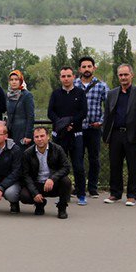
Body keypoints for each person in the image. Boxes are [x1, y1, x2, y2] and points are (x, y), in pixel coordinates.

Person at [103, 64, 136, 206]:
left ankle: (131, 195)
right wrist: (106, 136)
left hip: (133, 135)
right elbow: (107, 116)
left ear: (132, 75)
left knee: (133, 166)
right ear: (118, 77)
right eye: (120, 75)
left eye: (126, 75)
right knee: (115, 165)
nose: (123, 77)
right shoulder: (111, 94)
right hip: (115, 134)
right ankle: (115, 193)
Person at [47, 66, 88, 205]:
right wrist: (61, 124)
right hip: (59, 136)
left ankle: (81, 194)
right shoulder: (55, 94)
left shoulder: (80, 93)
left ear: (73, 77)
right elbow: (50, 113)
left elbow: (83, 112)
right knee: (59, 166)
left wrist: (70, 122)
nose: (66, 79)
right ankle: (62, 195)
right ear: (60, 78)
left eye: (68, 76)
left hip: (76, 134)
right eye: (63, 76)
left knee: (78, 166)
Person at [74, 56, 109, 198]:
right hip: (78, 128)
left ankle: (93, 187)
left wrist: (101, 121)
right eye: (84, 67)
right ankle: (79, 187)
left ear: (94, 68)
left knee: (94, 159)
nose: (86, 69)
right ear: (79, 69)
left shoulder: (102, 86)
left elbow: (109, 107)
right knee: (78, 159)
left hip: (94, 128)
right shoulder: (74, 84)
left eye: (89, 66)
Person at [19, 127, 73, 219]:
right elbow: (25, 175)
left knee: (66, 182)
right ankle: (40, 203)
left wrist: (52, 178)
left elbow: (66, 167)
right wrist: (34, 193)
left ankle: (62, 207)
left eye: (42, 136)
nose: (39, 139)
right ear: (33, 138)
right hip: (37, 184)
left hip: (52, 183)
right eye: (36, 137)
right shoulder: (27, 153)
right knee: (24, 196)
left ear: (48, 137)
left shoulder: (57, 149)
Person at [5, 70, 35, 146]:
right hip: (10, 131)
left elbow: (30, 116)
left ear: (20, 81)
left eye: (16, 79)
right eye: (11, 80)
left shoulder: (26, 95)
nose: (14, 82)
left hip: (22, 131)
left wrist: (28, 135)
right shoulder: (8, 95)